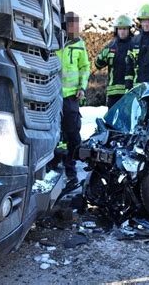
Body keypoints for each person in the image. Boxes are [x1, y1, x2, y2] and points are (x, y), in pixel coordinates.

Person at [56, 11, 90, 186]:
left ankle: (71, 171)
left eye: (77, 25)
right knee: (55, 135)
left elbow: (85, 67)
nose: (76, 28)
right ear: (66, 26)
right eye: (73, 25)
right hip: (53, 97)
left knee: (72, 135)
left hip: (71, 97)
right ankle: (55, 168)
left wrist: (82, 88)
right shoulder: (54, 41)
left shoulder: (79, 44)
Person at [95, 14, 134, 108]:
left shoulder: (135, 45)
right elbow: (98, 64)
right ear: (116, 30)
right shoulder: (111, 46)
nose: (122, 32)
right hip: (113, 92)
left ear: (129, 29)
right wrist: (103, 55)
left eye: (124, 29)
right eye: (120, 29)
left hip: (130, 90)